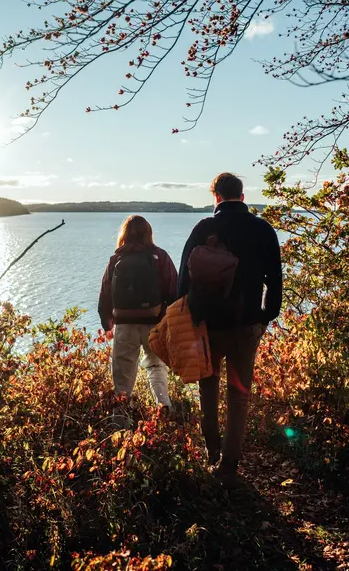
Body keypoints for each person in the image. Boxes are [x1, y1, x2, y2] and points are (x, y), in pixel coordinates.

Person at [178, 173, 282, 484]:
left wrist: (186, 316)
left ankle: (211, 449)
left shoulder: (204, 228)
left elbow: (184, 276)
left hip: (207, 326)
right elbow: (275, 280)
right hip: (246, 323)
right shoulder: (263, 229)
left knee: (207, 386)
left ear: (216, 197)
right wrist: (266, 317)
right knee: (239, 395)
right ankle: (229, 464)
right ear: (243, 196)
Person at [99, 215, 179, 408]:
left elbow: (105, 293)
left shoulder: (116, 258)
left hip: (124, 325)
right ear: (149, 233)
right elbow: (174, 291)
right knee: (156, 369)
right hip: (155, 324)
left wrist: (106, 322)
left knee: (122, 381)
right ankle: (164, 415)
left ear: (124, 234)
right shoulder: (160, 257)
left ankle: (120, 426)